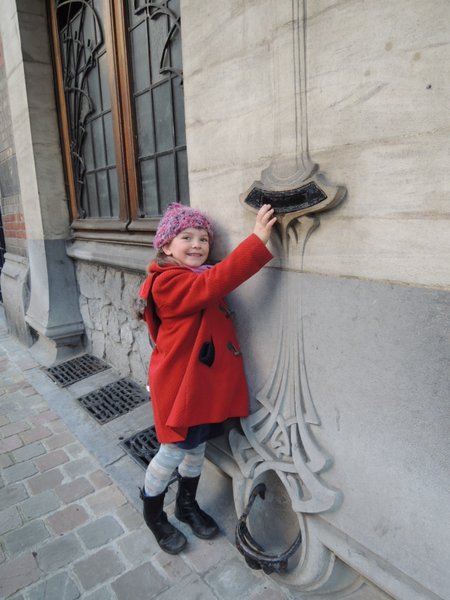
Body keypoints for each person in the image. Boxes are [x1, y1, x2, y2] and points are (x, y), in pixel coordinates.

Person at [138, 201, 276, 554]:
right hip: (179, 386)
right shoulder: (167, 282)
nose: (197, 244)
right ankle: (153, 516)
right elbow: (214, 285)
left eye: (203, 238)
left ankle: (186, 504)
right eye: (186, 237)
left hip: (196, 387)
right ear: (166, 245)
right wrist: (257, 240)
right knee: (171, 451)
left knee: (196, 447)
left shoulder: (195, 275)